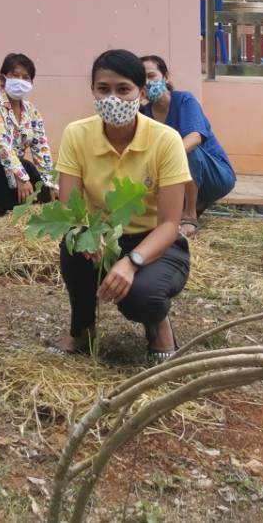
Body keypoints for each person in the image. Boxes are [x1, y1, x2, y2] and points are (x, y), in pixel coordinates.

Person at [49, 50, 193, 363]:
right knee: (73, 245)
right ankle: (83, 330)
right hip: (101, 234)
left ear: (142, 94)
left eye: (123, 89)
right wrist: (87, 233)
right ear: (93, 92)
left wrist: (131, 262)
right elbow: (70, 207)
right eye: (103, 89)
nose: (113, 98)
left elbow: (170, 223)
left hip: (154, 242)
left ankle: (158, 323)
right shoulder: (77, 134)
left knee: (143, 298)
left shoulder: (165, 140)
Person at [138, 55, 234, 225]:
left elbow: (195, 137)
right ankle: (192, 205)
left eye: (151, 76)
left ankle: (190, 216)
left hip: (216, 175)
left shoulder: (184, 100)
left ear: (165, 77)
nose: (147, 82)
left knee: (186, 150)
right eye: (141, 78)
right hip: (178, 176)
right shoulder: (144, 112)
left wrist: (162, 158)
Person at [0, 52, 56, 214]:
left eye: (26, 77)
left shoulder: (31, 110)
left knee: (42, 191)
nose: (20, 81)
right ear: (3, 79)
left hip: (16, 164)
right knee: (18, 199)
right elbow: (1, 144)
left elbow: (41, 147)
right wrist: (22, 178)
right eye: (15, 76)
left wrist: (50, 184)